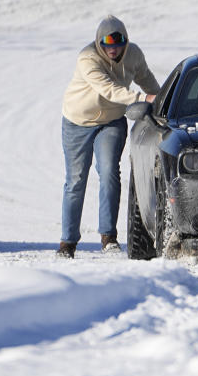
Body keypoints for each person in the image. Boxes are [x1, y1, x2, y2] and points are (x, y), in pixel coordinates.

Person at [58, 15, 160, 258]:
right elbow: (109, 89)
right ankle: (67, 243)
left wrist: (162, 99)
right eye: (107, 45)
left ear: (126, 41)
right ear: (98, 44)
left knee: (109, 172)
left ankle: (108, 237)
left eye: (118, 44)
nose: (113, 50)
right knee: (76, 180)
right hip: (78, 121)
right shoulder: (87, 58)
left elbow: (146, 78)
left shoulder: (133, 53)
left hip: (112, 121)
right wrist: (143, 99)